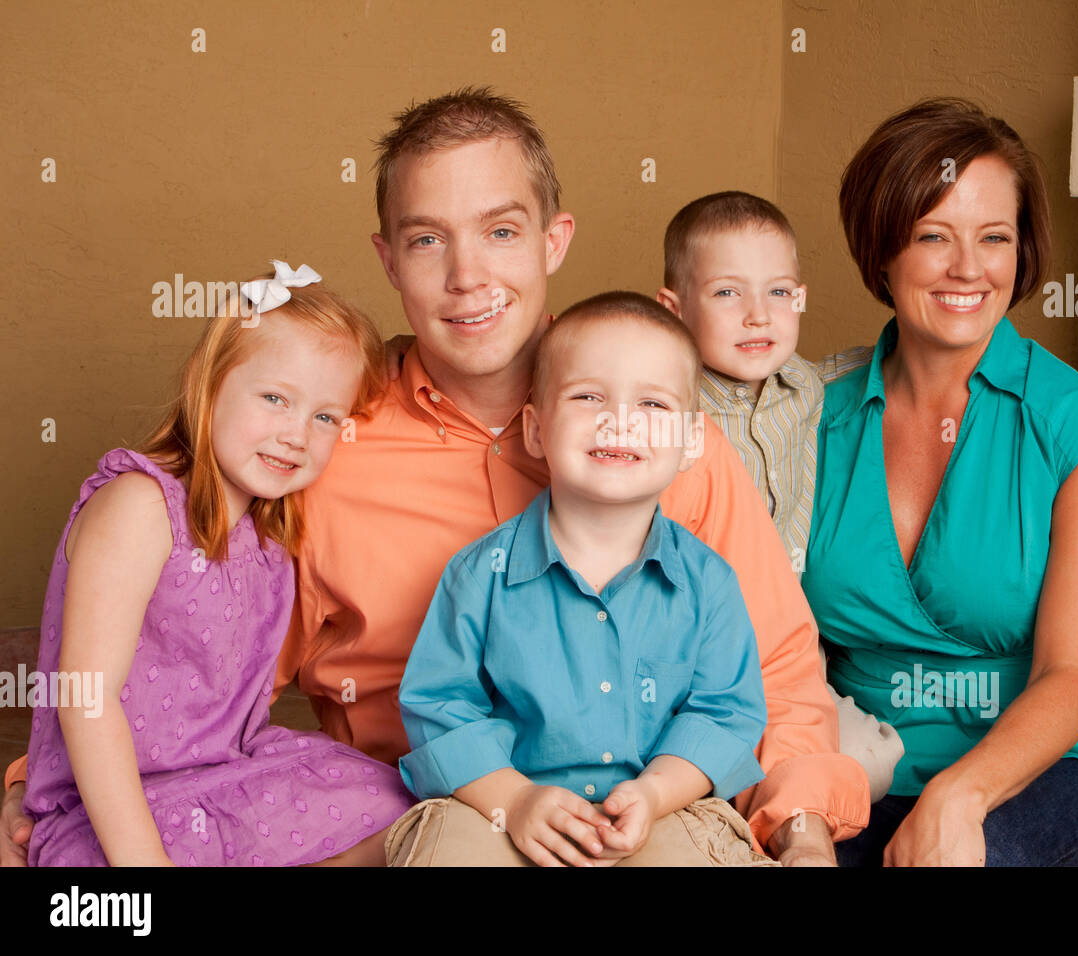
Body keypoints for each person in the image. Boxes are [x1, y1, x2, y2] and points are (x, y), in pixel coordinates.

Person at [5, 87, 872, 867]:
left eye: (500, 231)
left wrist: (797, 826)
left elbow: (776, 672)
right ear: (388, 260)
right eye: (429, 240)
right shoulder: (320, 448)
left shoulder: (658, 428)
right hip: (433, 820)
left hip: (653, 812)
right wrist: (44, 784)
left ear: (552, 240)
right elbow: (200, 658)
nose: (468, 278)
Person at [802, 98, 1078, 866]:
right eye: (933, 237)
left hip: (1037, 774)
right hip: (854, 761)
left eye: (994, 237)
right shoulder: (809, 419)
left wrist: (957, 797)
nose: (969, 268)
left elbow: (1071, 673)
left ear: (1022, 253)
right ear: (880, 251)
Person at [18, 262, 415, 866]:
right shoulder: (141, 505)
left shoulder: (266, 535)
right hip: (114, 805)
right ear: (210, 388)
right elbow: (84, 698)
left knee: (402, 808)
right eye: (275, 398)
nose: (296, 435)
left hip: (220, 778)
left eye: (325, 417)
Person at [388, 292, 775, 867]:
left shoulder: (708, 583)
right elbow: (440, 706)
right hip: (506, 807)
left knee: (699, 854)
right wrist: (513, 801)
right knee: (445, 848)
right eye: (589, 396)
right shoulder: (480, 574)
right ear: (537, 429)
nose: (618, 421)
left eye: (652, 403)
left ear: (692, 441)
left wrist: (654, 793)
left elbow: (724, 713)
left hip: (662, 811)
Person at [656, 190, 903, 802]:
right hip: (689, 656)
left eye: (778, 293)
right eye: (726, 293)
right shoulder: (664, 405)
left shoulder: (805, 387)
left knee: (875, 756)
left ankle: (767, 794)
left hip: (786, 658)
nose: (758, 316)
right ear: (673, 308)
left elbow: (867, 365)